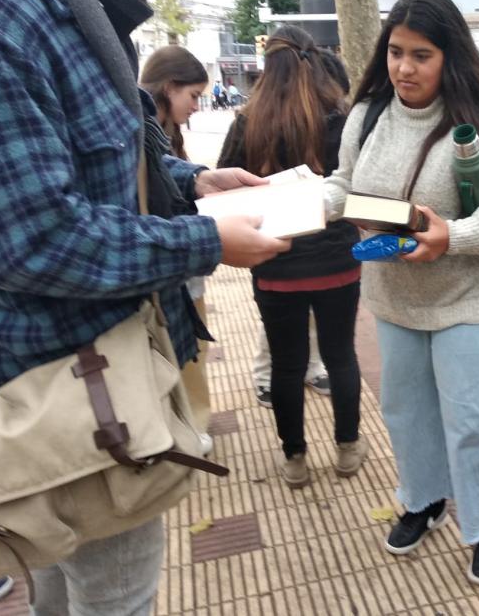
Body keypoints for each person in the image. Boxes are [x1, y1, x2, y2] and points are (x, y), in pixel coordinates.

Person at [0, 0, 288, 613]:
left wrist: (191, 182)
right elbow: (31, 240)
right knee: (115, 599)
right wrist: (208, 241)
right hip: (67, 396)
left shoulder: (61, 1)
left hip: (98, 374)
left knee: (61, 588)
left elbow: (94, 169)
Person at [322, 0, 479, 586]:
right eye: (396, 52)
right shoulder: (366, 116)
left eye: (420, 55)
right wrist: (284, 206)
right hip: (394, 294)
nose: (403, 68)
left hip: (469, 298)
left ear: (449, 57)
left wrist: (457, 235)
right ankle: (424, 498)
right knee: (405, 408)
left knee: (471, 418)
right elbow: (342, 184)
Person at [217, 24, 365, 488]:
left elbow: (224, 183)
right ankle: (346, 448)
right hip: (338, 262)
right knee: (341, 356)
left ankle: (294, 459)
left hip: (274, 264)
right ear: (313, 58)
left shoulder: (246, 120)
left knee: (287, 364)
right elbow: (359, 189)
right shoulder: (338, 117)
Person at [247, 46, 353, 407]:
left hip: (306, 250)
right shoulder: (257, 120)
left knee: (300, 335)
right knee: (287, 340)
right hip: (285, 249)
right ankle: (267, 375)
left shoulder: (331, 120)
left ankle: (308, 369)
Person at [140, 44, 215, 455]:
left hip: (181, 263)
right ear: (169, 88)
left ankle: (189, 427)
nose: (197, 107)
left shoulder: (160, 129)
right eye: (194, 96)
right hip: (168, 265)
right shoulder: (143, 126)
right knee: (174, 356)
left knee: (190, 354)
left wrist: (202, 180)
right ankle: (183, 432)